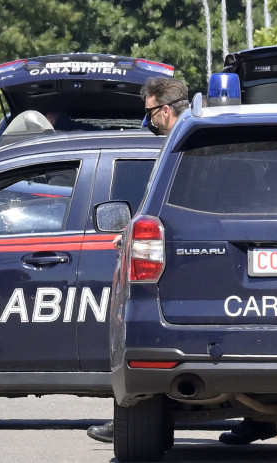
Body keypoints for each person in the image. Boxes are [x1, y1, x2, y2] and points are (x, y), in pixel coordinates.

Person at [86, 75, 190, 444]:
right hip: (195, 261)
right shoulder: (199, 139)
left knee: (135, 338)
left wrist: (135, 234)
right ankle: (258, 421)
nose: (147, 123)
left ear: (164, 110)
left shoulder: (183, 146)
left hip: (175, 260)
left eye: (149, 114)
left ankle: (132, 421)